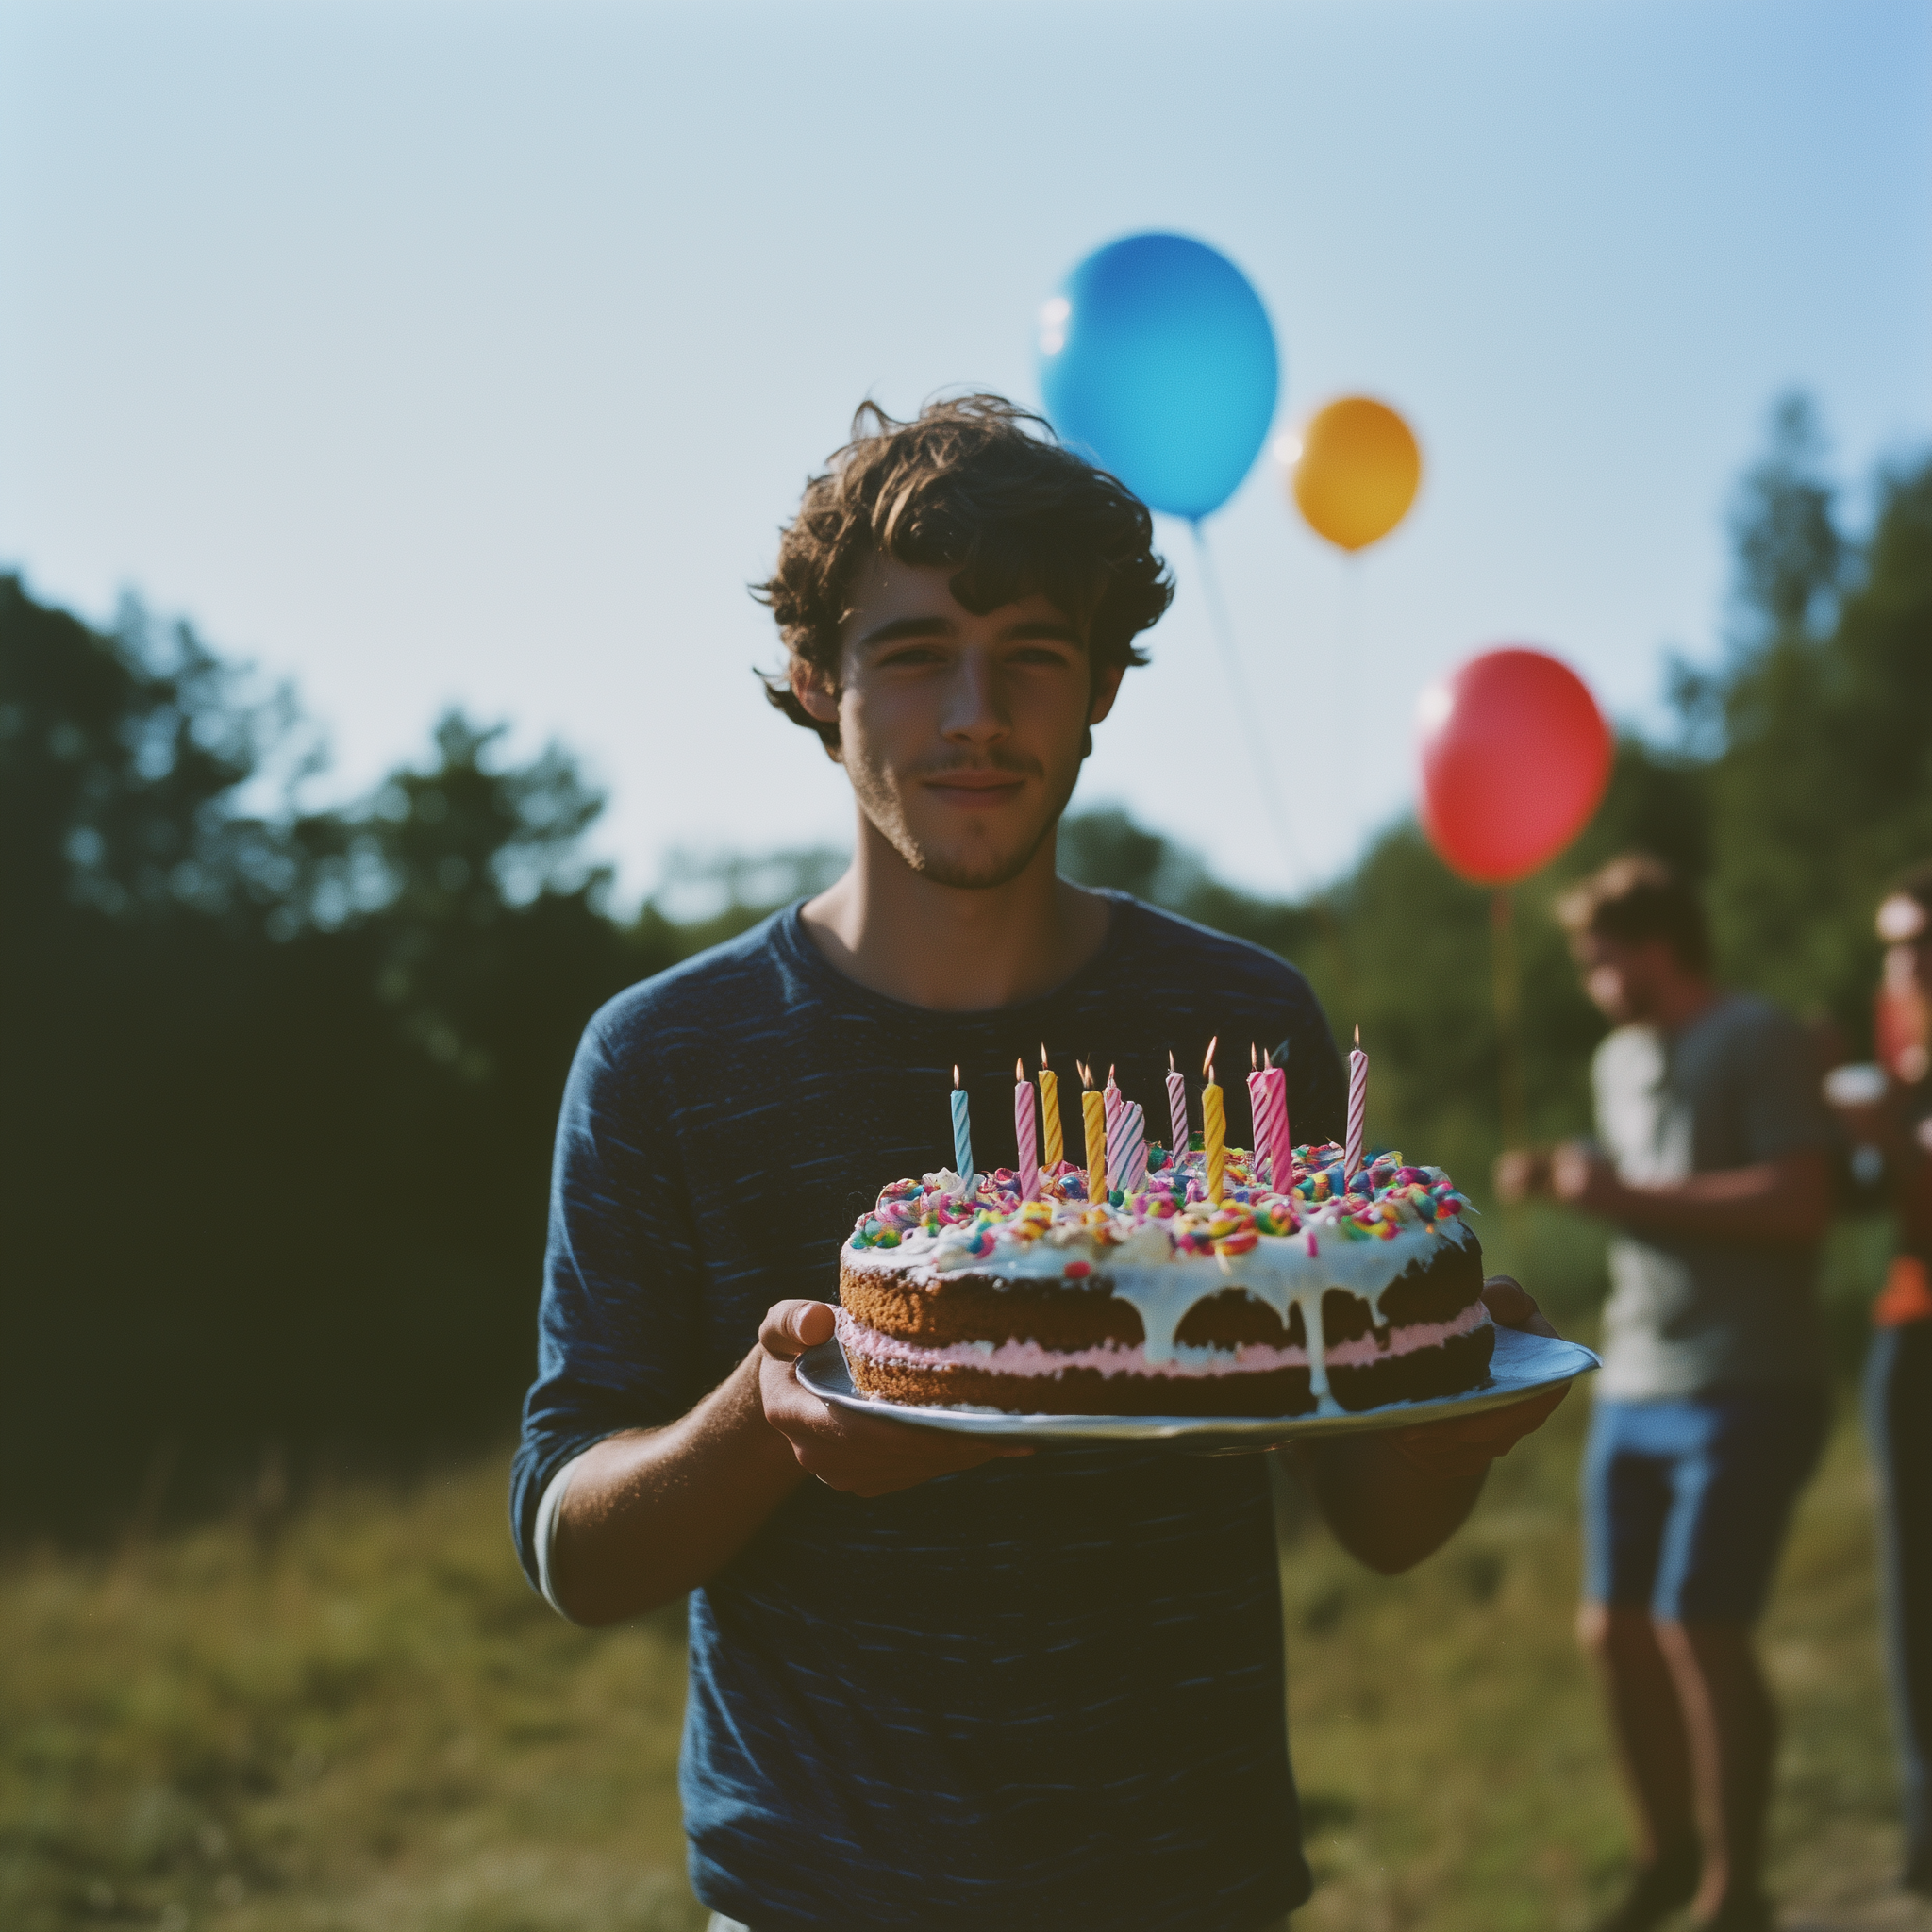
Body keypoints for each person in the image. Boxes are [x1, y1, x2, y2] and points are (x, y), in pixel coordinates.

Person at [510, 395, 1569, 1932]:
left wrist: (1446, 1428)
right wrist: (768, 1415)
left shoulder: (1237, 1021)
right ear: (818, 679)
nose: (974, 713)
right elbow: (571, 1549)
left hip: (1183, 1879)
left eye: (1032, 654)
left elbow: (1372, 1520)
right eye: (914, 650)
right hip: (819, 1883)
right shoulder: (666, 1056)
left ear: (1098, 694)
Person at [1496, 855, 1834, 1932]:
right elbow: (1639, 1192)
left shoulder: (1758, 1038)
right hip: (1634, 1374)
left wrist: (1620, 1192)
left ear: (1651, 947)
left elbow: (1798, 1203)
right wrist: (1568, 1182)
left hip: (1747, 1375)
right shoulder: (1613, 1060)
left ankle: (1738, 1890)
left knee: (1699, 1620)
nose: (1591, 979)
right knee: (1614, 1630)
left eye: (1599, 960)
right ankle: (1663, 1857)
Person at [1826, 864, 1932, 1897]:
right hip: (1910, 1332)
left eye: (1916, 944)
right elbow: (1874, 1198)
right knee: (1914, 1588)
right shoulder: (1896, 1053)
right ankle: (1921, 1821)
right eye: (1893, 948)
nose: (1900, 967)